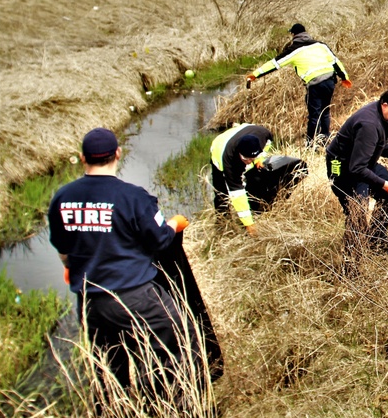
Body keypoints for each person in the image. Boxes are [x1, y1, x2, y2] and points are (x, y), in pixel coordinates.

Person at [48, 128, 199, 397]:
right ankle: (175, 413)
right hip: (136, 296)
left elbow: (63, 249)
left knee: (107, 364)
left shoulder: (62, 198)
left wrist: (71, 267)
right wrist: (174, 224)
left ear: (83, 159)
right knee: (172, 346)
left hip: (90, 301)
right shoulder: (133, 197)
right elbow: (159, 241)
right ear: (118, 153)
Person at [325, 87, 388, 263]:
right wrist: (386, 185)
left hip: (362, 162)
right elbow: (356, 169)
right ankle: (350, 266)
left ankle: (375, 240)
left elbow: (378, 145)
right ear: (385, 105)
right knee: (357, 212)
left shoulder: (384, 115)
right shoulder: (369, 124)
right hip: (340, 165)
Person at [247, 24, 352, 147]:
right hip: (330, 80)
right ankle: (325, 138)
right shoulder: (320, 45)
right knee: (325, 111)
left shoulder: (294, 50)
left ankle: (310, 144)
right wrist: (344, 77)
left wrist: (255, 74)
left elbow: (274, 64)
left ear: (293, 35)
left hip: (315, 83)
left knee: (314, 115)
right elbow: (335, 61)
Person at [210, 123, 274, 237]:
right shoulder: (229, 161)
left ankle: (254, 207)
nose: (249, 161)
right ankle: (222, 225)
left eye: (252, 158)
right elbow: (237, 195)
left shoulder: (264, 135)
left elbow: (267, 144)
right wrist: (249, 225)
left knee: (255, 175)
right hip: (219, 150)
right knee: (222, 194)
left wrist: (259, 159)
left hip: (245, 132)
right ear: (239, 153)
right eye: (246, 159)